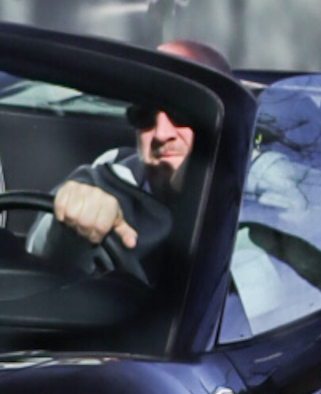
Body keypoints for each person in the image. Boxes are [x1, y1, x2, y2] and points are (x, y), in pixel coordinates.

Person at [48, 77, 209, 282]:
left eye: (184, 112)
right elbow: (40, 248)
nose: (161, 133)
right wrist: (68, 220)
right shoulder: (107, 179)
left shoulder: (252, 196)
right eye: (144, 115)